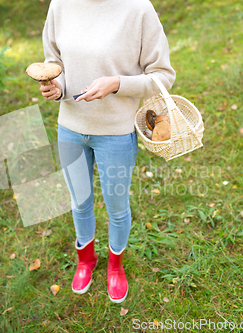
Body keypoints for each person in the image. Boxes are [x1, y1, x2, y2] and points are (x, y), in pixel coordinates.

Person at [37, 0, 176, 303]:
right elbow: (55, 62)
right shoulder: (60, 5)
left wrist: (118, 84)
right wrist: (56, 87)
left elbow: (164, 76)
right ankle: (86, 260)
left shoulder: (138, 9)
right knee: (80, 202)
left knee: (116, 207)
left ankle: (115, 266)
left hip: (115, 132)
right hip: (70, 128)